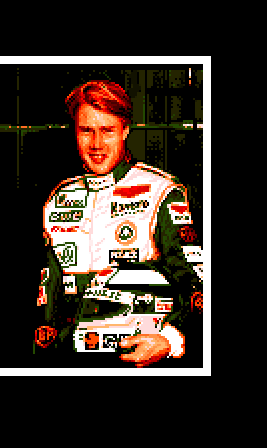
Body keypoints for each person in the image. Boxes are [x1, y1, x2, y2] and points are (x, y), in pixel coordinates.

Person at [34, 81, 203, 368]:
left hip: (140, 360)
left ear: (125, 130)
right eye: (86, 130)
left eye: (107, 131)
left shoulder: (161, 192)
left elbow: (198, 286)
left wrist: (170, 340)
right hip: (72, 361)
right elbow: (48, 293)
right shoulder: (59, 198)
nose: (96, 144)